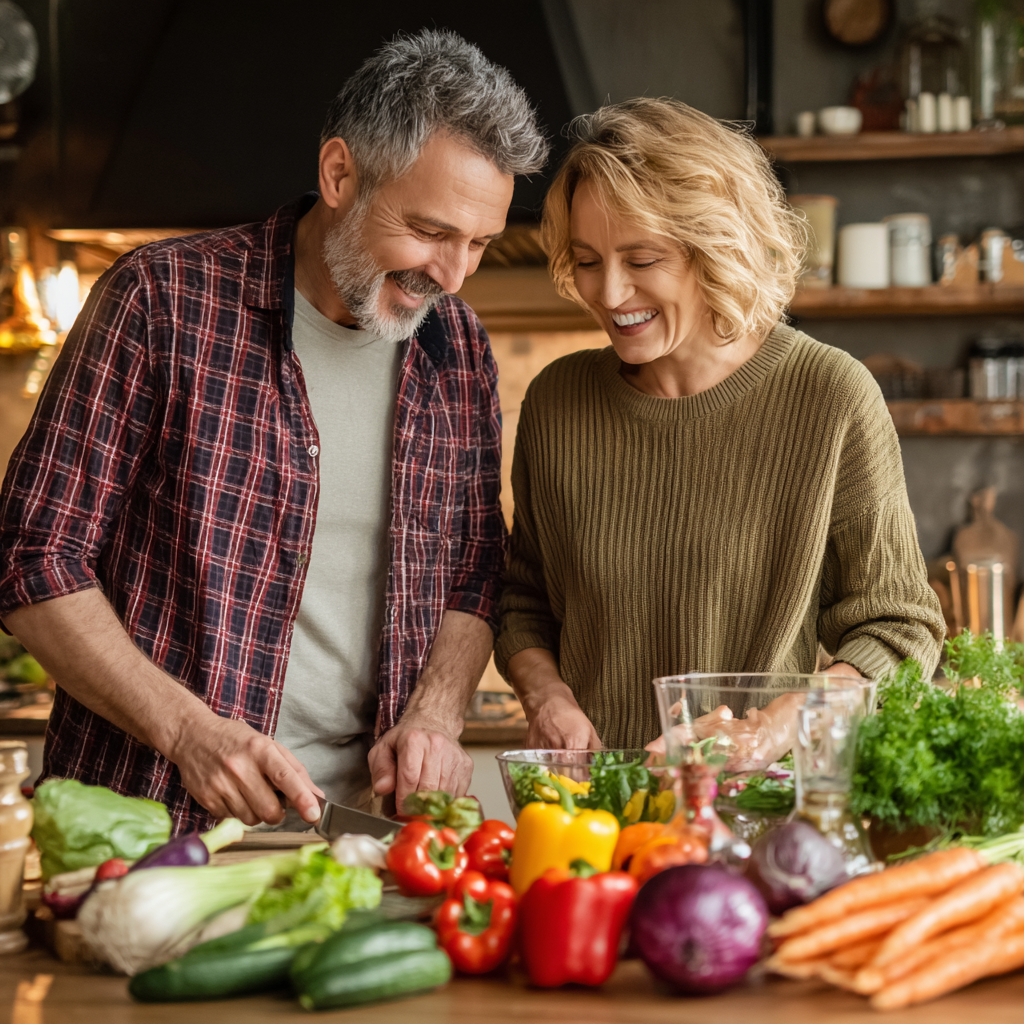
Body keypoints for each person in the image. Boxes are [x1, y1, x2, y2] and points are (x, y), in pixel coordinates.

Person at [0, 30, 548, 830]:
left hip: (371, 838)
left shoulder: (455, 345)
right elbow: (32, 557)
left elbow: (473, 568)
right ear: (339, 174)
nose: (454, 274)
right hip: (154, 823)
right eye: (431, 231)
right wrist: (187, 731)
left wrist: (436, 710)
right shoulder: (162, 299)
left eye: (480, 244)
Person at [495, 98, 944, 755]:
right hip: (590, 829)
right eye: (588, 261)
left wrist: (777, 725)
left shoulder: (830, 396)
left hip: (755, 823)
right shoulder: (556, 403)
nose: (611, 293)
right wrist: (547, 696)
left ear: (714, 246)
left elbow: (899, 629)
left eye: (642, 260)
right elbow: (524, 603)